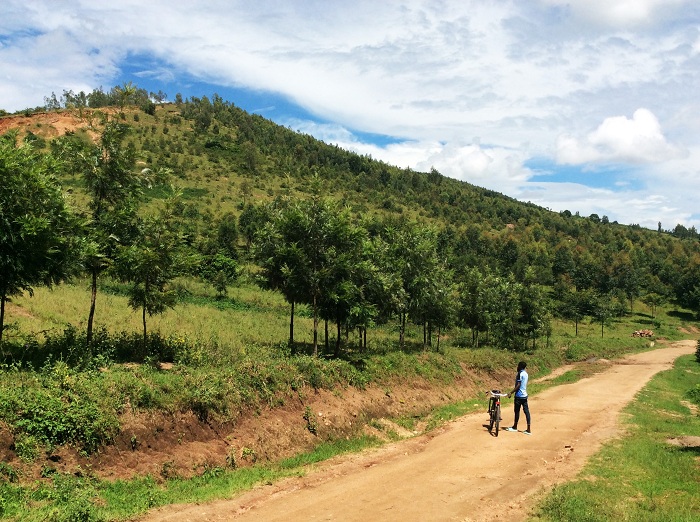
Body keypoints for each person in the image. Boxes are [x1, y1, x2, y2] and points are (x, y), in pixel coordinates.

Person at [504, 361, 531, 435]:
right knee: (526, 412)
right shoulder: (526, 374)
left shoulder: (519, 374)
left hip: (519, 396)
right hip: (524, 395)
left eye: (518, 366)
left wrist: (511, 392)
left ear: (520, 366)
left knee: (517, 411)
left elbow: (518, 385)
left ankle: (515, 427)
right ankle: (528, 429)